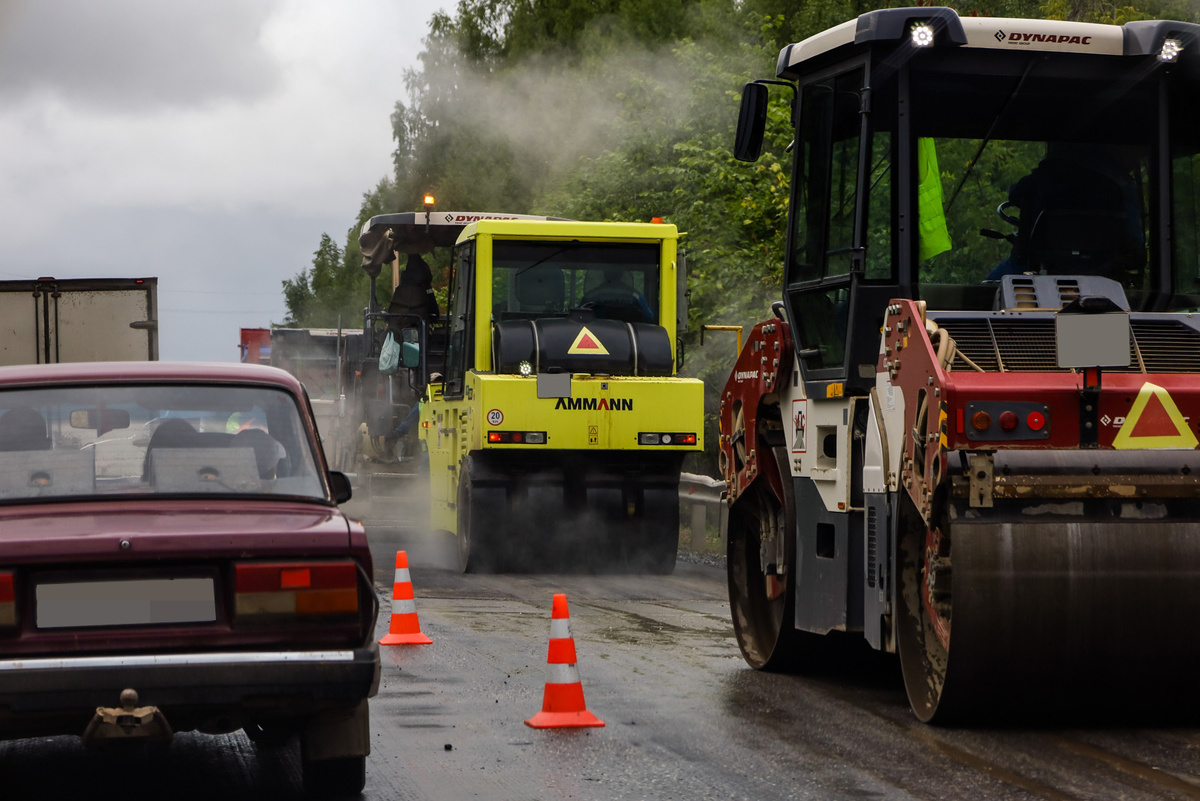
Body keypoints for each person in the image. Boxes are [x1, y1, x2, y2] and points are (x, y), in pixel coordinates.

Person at [989, 143, 1144, 280]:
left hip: (1042, 268)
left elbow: (1016, 194)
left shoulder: (1046, 174)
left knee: (992, 286)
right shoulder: (1124, 185)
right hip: (1107, 274)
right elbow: (1135, 241)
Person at [580, 266, 654, 323]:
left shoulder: (589, 297)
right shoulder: (637, 297)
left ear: (603, 273)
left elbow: (578, 317)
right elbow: (649, 319)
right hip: (631, 341)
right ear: (622, 274)